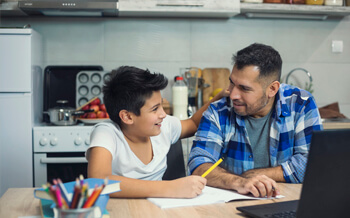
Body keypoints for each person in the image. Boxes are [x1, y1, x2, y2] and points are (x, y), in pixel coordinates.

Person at [188, 43, 323, 198]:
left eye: (244, 89)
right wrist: (239, 182)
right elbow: (198, 164)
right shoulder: (218, 110)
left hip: (287, 201)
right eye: (232, 82)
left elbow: (313, 163)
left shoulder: (301, 103)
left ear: (272, 89)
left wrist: (257, 175)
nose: (233, 95)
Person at [86, 66, 227, 198]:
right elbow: (98, 180)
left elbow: (194, 123)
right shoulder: (106, 133)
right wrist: (171, 188)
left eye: (161, 105)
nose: (163, 114)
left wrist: (218, 97)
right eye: (155, 109)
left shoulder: (163, 126)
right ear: (127, 117)